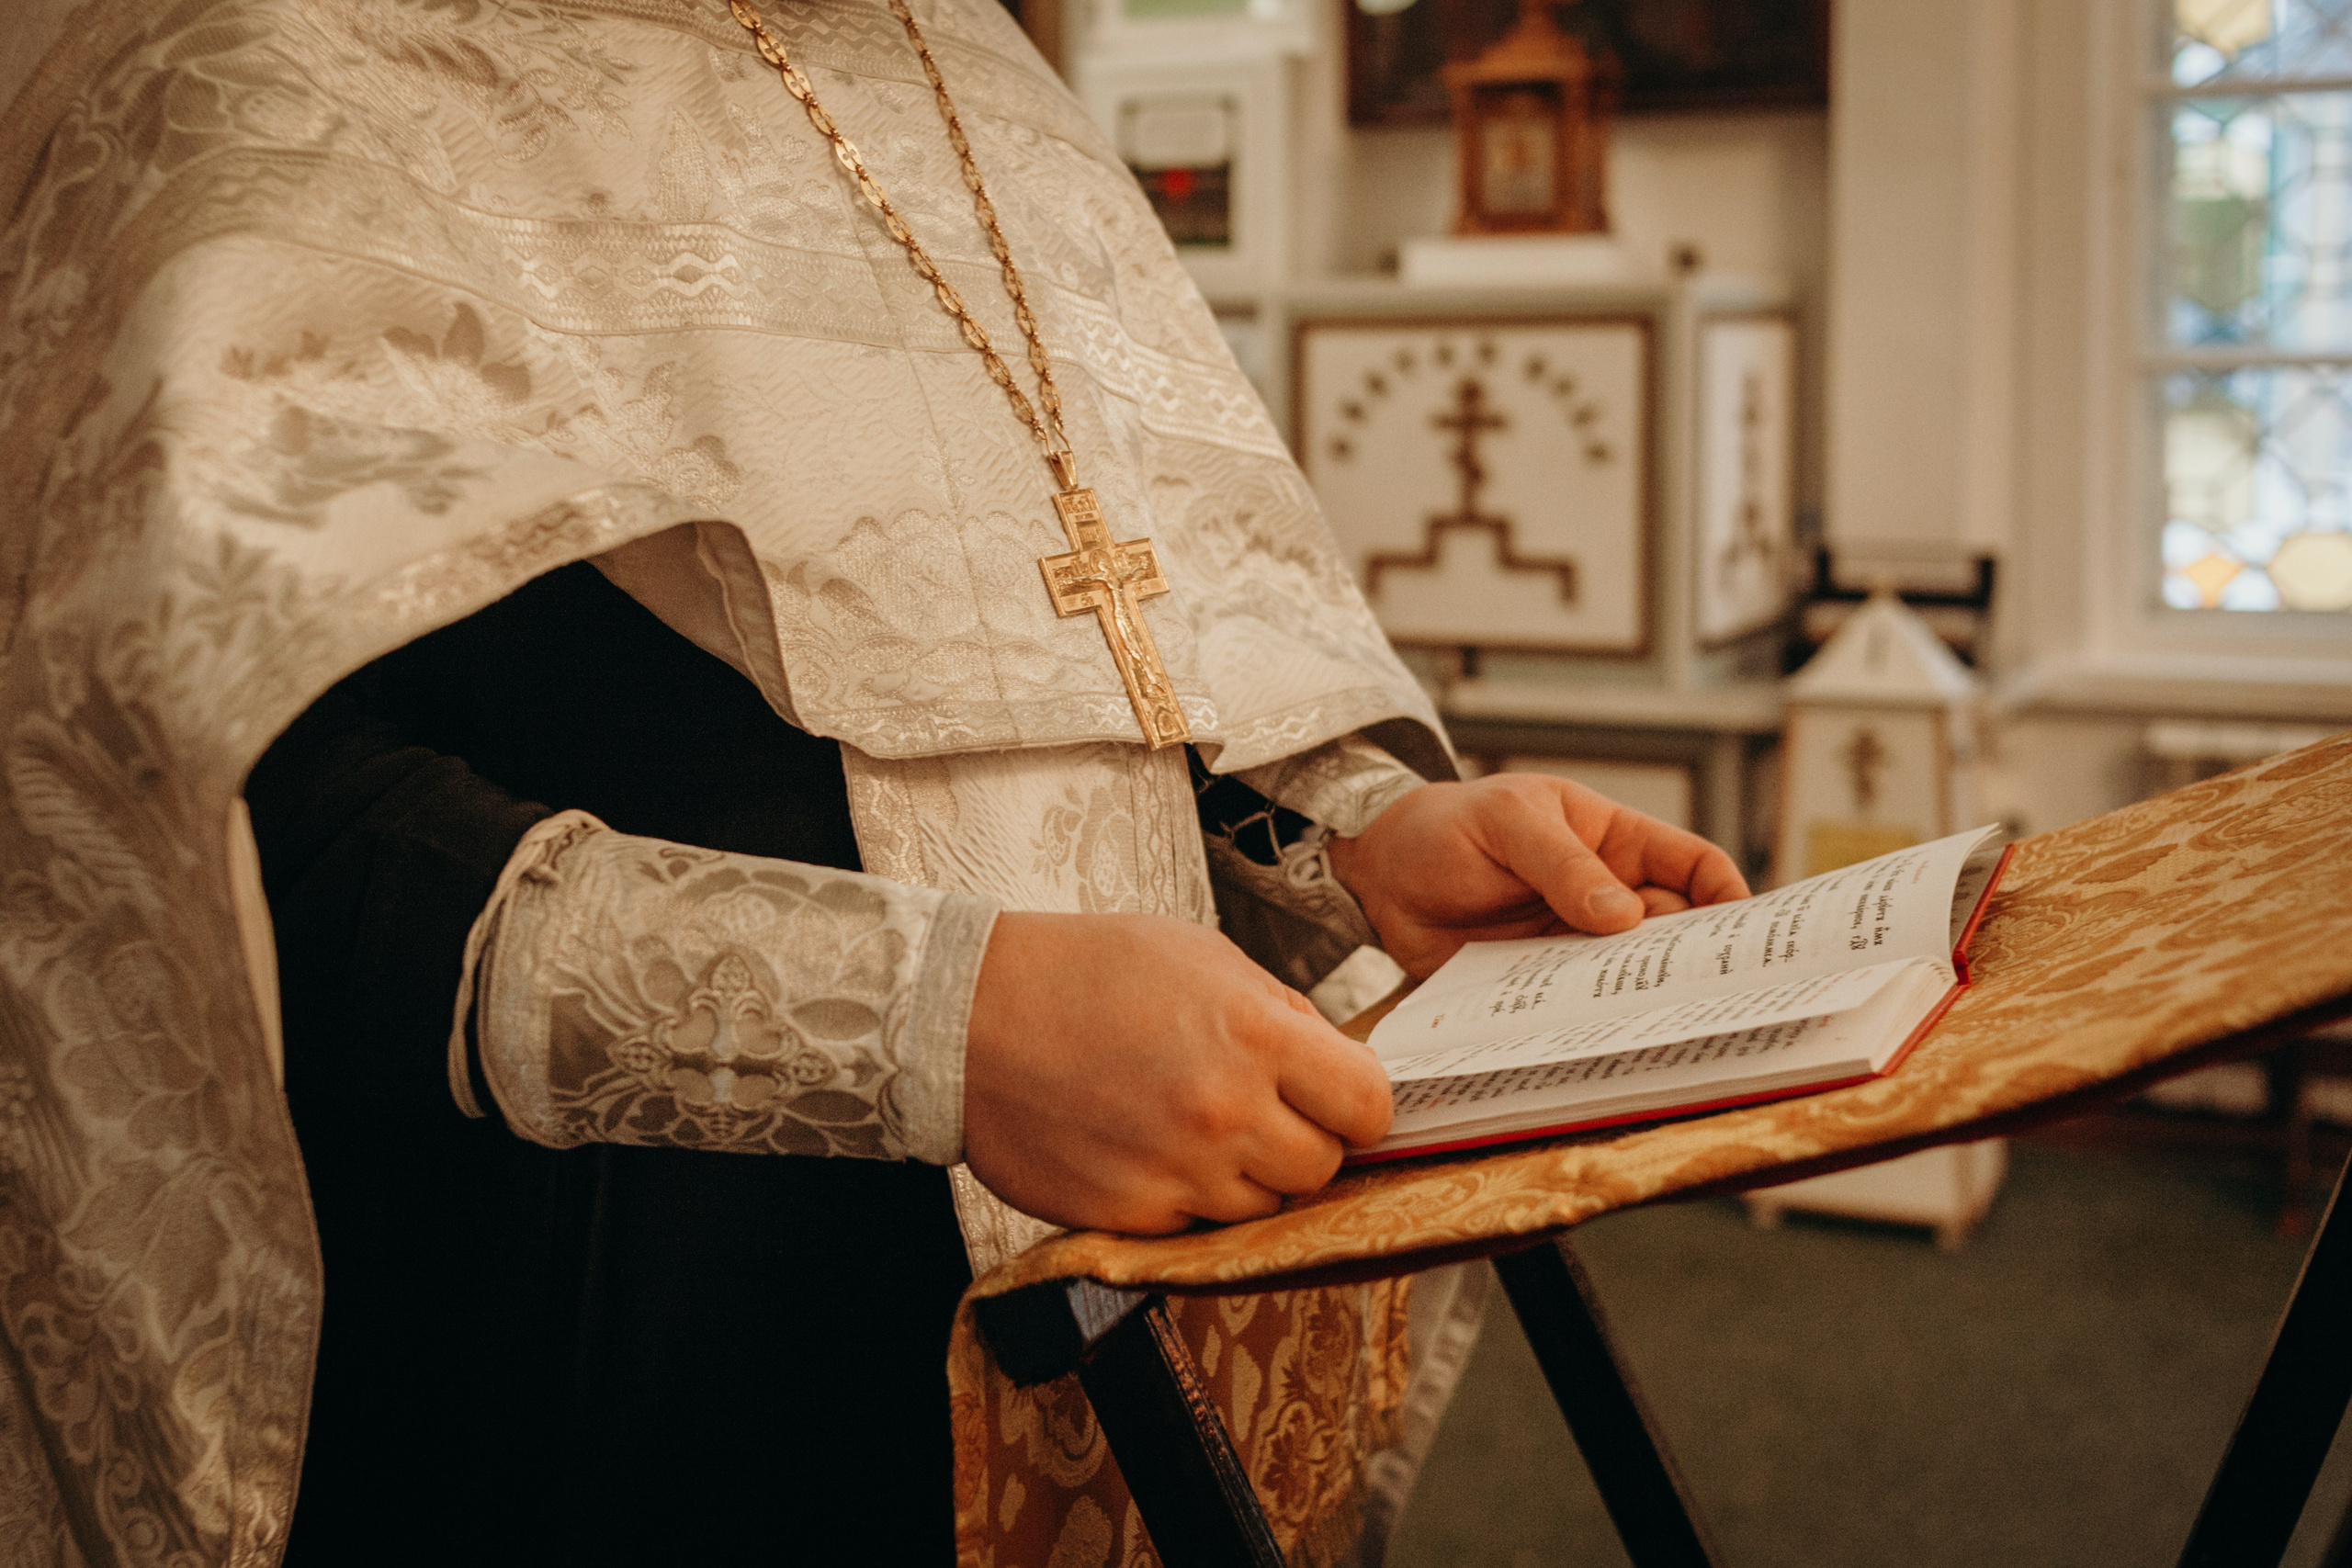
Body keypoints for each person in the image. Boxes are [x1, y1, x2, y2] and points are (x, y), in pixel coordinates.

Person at [0, 0, 1745, 1562]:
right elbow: (195, 826)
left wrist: (1347, 839)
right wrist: (932, 1026)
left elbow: (1097, 674)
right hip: (638, 1321)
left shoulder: (972, 75)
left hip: (1136, 1246)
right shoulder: (249, 64)